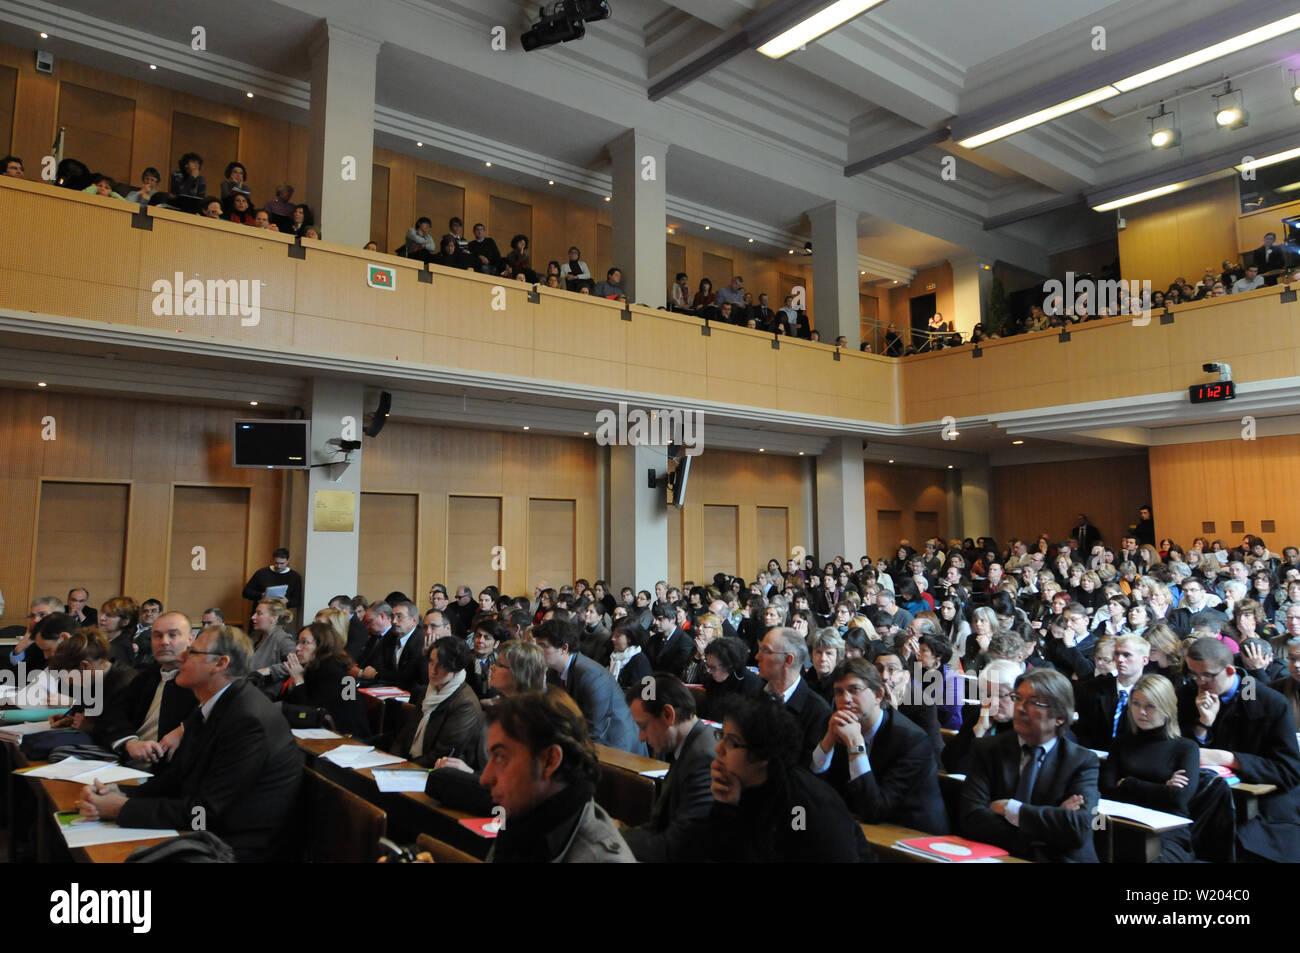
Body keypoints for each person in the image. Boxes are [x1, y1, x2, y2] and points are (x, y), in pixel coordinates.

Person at [75, 625, 302, 862]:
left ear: (220, 663)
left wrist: (121, 809)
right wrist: (121, 792)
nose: (180, 655)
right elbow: (176, 780)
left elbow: (206, 813)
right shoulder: (213, 705)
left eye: (192, 652)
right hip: (205, 831)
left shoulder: (247, 719)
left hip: (233, 848)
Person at [696, 694, 873, 862]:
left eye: (733, 743)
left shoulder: (801, 807)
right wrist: (725, 807)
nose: (719, 749)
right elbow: (718, 853)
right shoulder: (740, 787)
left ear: (762, 754)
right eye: (721, 737)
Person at [1178, 637, 1300, 861]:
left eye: (1207, 675)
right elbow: (1177, 751)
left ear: (1230, 670)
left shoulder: (1267, 701)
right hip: (1204, 796)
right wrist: (1203, 725)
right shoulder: (1187, 695)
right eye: (1193, 674)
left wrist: (1229, 758)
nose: (1200, 682)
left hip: (1263, 803)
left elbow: (1290, 770)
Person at [961, 668, 1100, 862]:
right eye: (1018, 698)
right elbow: (972, 819)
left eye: (1034, 702)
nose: (1020, 708)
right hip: (1000, 856)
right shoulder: (988, 749)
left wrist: (1012, 809)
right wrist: (1053, 818)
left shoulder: (1081, 761)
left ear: (1060, 717)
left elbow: (1079, 828)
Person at [479, 692, 635, 862]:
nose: (485, 778)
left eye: (501, 757)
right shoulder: (525, 822)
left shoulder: (600, 858)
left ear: (550, 761)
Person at [811, 658, 948, 832]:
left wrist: (855, 746)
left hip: (911, 837)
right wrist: (828, 741)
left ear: (878, 695)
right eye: (839, 692)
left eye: (854, 690)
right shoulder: (839, 725)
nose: (845, 699)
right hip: (863, 826)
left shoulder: (912, 740)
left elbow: (875, 810)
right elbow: (812, 783)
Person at [1100, 674, 1198, 862]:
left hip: (1168, 828)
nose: (1141, 712)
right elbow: (1107, 789)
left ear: (1166, 708)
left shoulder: (1186, 747)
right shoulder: (1121, 743)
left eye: (1150, 706)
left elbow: (1180, 798)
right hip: (1122, 821)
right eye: (1136, 704)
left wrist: (1128, 783)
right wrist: (1163, 787)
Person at [622, 674, 715, 862]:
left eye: (643, 726)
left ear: (668, 715)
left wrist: (612, 836)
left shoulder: (704, 757)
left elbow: (678, 846)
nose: (641, 737)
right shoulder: (689, 745)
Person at [94, 611, 197, 762]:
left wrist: (184, 729)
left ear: (190, 640)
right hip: (128, 762)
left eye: (173, 635)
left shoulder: (201, 682)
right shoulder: (146, 677)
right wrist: (130, 742)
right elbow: (114, 715)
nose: (164, 642)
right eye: (157, 635)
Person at [534, 618, 644, 753]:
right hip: (588, 740)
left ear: (564, 648)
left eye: (544, 646)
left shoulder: (592, 676)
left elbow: (595, 731)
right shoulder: (552, 673)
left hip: (618, 748)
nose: (537, 651)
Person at [393, 636, 487, 768]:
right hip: (411, 763)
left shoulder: (465, 704)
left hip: (438, 772)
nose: (433, 670)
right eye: (431, 663)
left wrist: (403, 768)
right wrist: (393, 760)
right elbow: (406, 734)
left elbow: (441, 754)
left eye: (441, 666)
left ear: (456, 669)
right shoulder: (429, 690)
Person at [279, 620, 369, 739]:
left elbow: (311, 713)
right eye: (298, 642)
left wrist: (298, 680)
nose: (297, 648)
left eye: (304, 643)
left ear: (322, 645)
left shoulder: (331, 671)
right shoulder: (312, 667)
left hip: (346, 738)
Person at [757, 627, 831, 762]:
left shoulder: (817, 711)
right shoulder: (756, 695)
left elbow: (807, 769)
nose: (757, 656)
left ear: (788, 660)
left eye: (766, 651)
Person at [1073, 633, 1150, 751]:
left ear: (1144, 660)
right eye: (1117, 654)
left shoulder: (1152, 693)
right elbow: (1082, 729)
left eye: (1127, 655)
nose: (1119, 659)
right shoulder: (1092, 688)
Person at [942, 659, 1020, 775]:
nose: (993, 702)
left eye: (1000, 695)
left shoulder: (1024, 728)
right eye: (988, 695)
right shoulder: (979, 714)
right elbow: (952, 766)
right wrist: (978, 732)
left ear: (1017, 695)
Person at [366, 600, 427, 692]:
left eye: (399, 616)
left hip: (411, 693)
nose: (394, 621)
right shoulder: (390, 636)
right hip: (389, 689)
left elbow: (408, 676)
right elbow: (377, 665)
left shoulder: (420, 641)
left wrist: (377, 674)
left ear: (414, 620)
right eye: (392, 617)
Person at [700, 636, 762, 718]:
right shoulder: (713, 681)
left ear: (728, 665)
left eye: (713, 667)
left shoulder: (750, 684)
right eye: (708, 666)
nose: (709, 671)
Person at [248, 598, 296, 696]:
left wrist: (269, 670)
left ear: (274, 617)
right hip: (250, 690)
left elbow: (296, 663)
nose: (253, 617)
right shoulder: (255, 635)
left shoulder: (282, 638)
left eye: (259, 613)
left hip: (266, 695)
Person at [241, 547, 303, 614]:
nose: (278, 566)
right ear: (273, 560)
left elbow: (297, 600)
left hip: (280, 615)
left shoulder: (295, 577)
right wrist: (261, 595)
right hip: (260, 613)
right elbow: (246, 592)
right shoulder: (261, 573)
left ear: (288, 561)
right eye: (276, 563)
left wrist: (287, 601)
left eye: (282, 563)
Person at [645, 602, 692, 675]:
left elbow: (677, 670)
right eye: (655, 619)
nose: (656, 623)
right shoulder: (653, 639)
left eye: (660, 619)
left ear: (672, 619)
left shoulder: (685, 642)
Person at [607, 619, 652, 691]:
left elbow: (649, 694)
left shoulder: (640, 660)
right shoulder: (614, 655)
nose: (612, 638)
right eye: (613, 634)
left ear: (629, 639)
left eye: (617, 636)